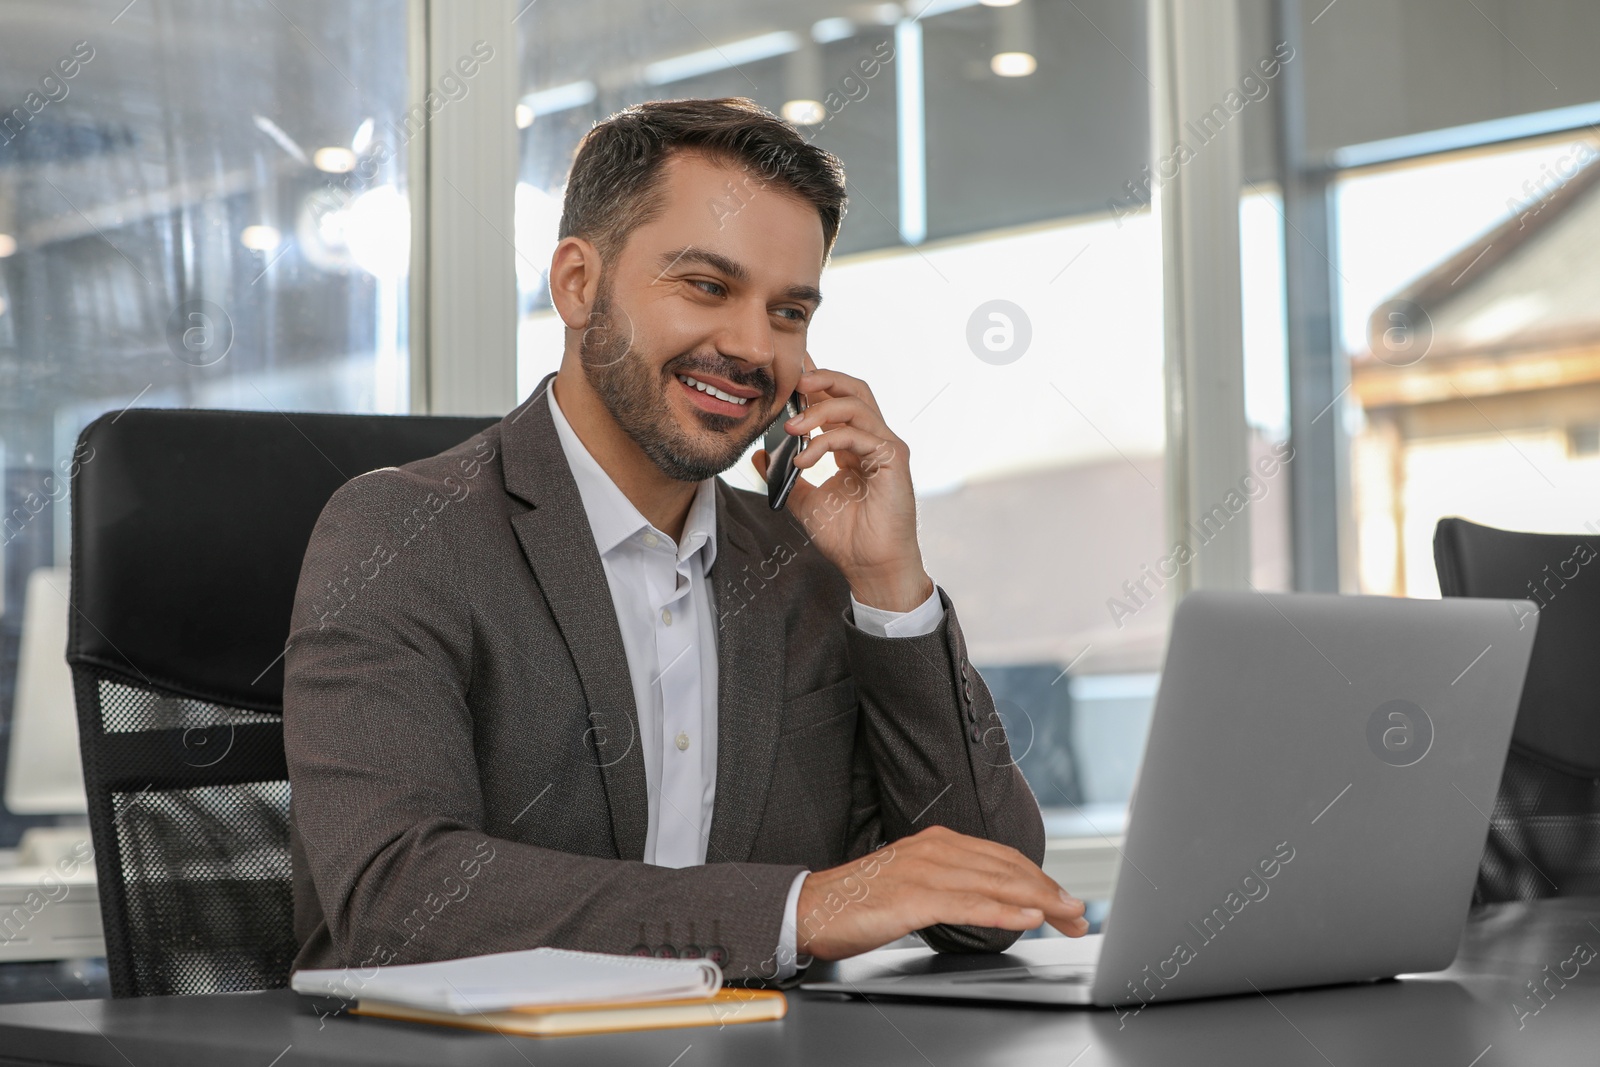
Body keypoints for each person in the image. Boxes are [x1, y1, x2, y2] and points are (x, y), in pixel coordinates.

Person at [284, 96, 1087, 986]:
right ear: (578, 284)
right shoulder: (403, 533)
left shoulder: (800, 567)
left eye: (789, 311)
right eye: (708, 286)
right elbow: (395, 899)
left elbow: (993, 904)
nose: (751, 346)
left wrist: (888, 585)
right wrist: (797, 910)